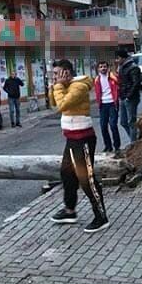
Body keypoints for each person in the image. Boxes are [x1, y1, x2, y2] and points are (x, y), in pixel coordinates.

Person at [49, 59, 109, 234]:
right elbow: (53, 102)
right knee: (66, 173)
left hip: (82, 138)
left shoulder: (79, 87)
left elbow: (62, 105)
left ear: (66, 72)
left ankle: (101, 216)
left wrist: (58, 86)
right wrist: (53, 87)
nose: (54, 77)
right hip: (71, 137)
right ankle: (70, 211)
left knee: (86, 179)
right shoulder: (64, 85)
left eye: (56, 73)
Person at [94, 61, 121, 154]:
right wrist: (99, 103)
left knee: (113, 125)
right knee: (103, 126)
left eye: (104, 66)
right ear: (98, 69)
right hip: (103, 104)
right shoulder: (97, 80)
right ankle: (108, 146)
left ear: (107, 67)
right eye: (101, 67)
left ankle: (117, 146)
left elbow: (119, 84)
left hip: (112, 103)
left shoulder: (112, 77)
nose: (103, 68)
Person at [116, 49, 141, 143]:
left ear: (123, 58)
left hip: (131, 98)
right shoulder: (122, 67)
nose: (116, 61)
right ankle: (136, 139)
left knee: (131, 122)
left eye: (118, 58)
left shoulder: (133, 67)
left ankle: (134, 143)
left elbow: (136, 83)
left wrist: (128, 96)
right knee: (123, 122)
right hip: (123, 97)